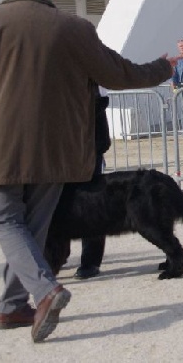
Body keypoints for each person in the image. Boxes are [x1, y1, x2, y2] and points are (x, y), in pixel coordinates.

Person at [0, 0, 178, 343]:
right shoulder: (73, 28)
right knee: (32, 228)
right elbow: (119, 74)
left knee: (6, 223)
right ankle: (11, 306)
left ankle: (45, 291)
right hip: (57, 153)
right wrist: (163, 68)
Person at [73, 87, 111, 280]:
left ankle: (90, 260)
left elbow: (102, 98)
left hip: (90, 145)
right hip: (60, 147)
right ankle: (55, 256)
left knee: (91, 206)